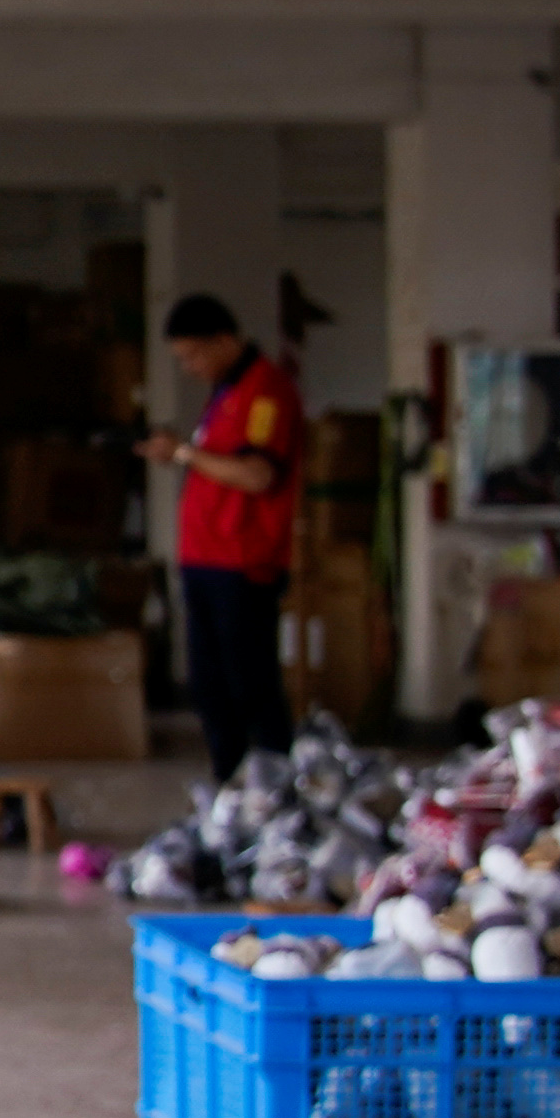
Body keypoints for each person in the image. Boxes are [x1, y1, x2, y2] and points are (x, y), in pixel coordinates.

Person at [155, 294, 305, 772]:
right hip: (204, 558)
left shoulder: (264, 392)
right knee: (209, 684)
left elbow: (257, 474)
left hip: (241, 560)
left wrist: (183, 454)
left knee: (249, 682)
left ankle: (273, 783)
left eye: (194, 355)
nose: (190, 367)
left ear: (224, 340)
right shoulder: (225, 392)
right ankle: (230, 782)